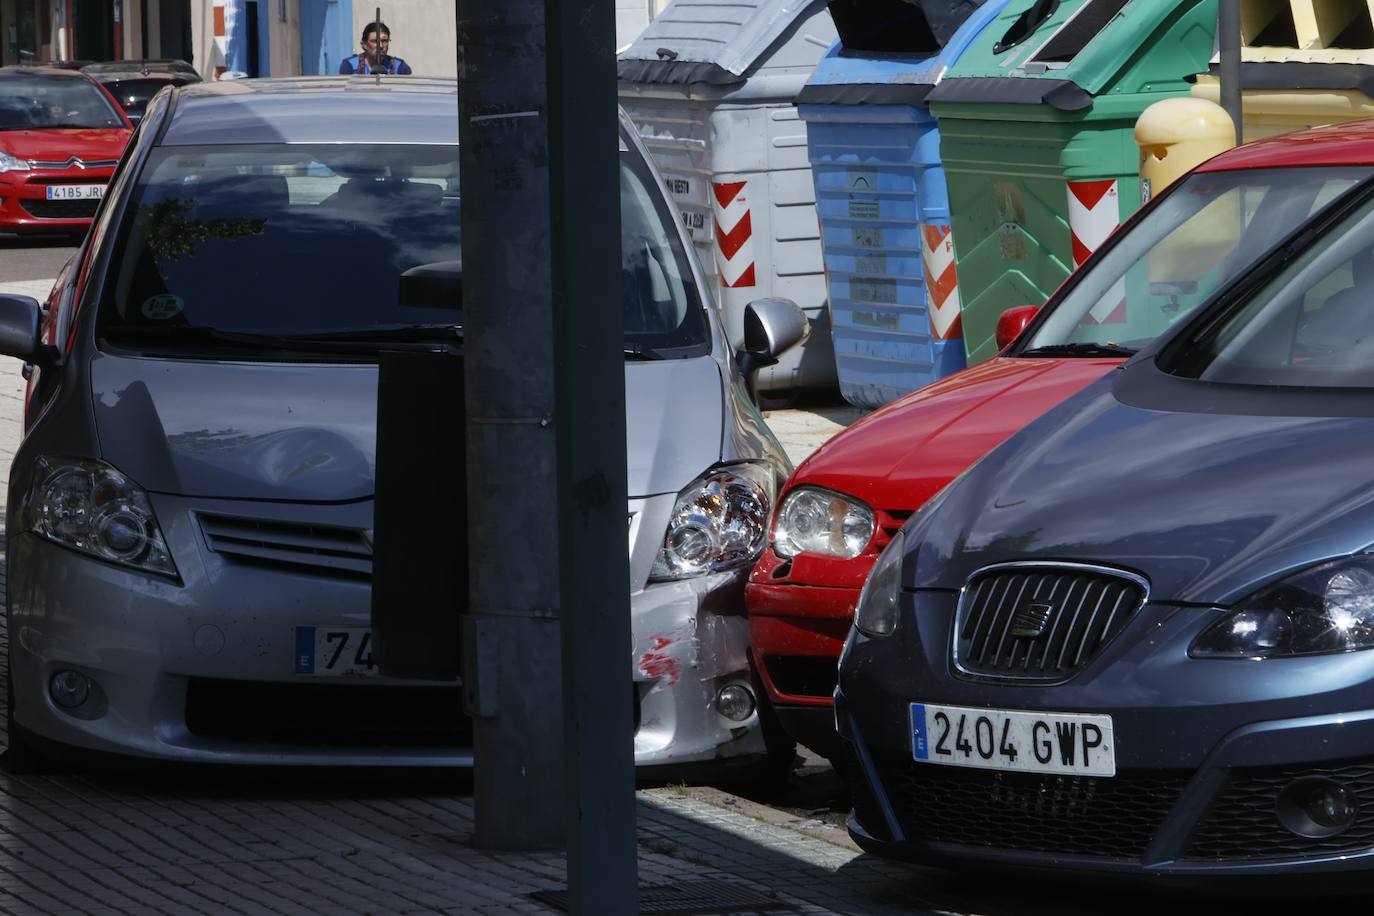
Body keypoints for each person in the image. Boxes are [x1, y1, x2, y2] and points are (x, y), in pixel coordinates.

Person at [339, 21, 412, 75]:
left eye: (384, 41)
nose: (380, 45)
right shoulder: (350, 66)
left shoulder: (400, 67)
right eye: (374, 41)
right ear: (364, 45)